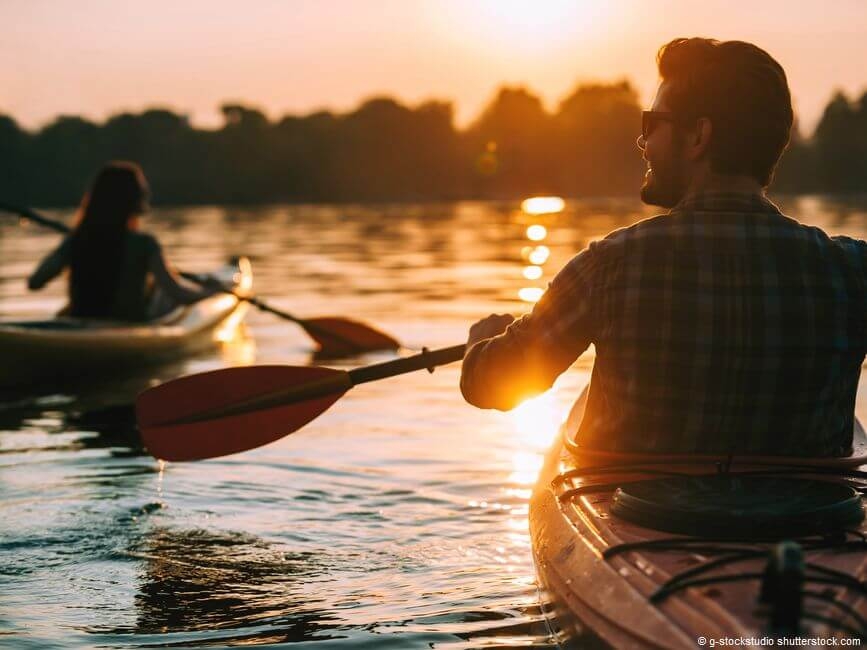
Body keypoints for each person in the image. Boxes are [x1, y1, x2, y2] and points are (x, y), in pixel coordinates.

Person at [460, 37, 867, 458]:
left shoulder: (611, 266)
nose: (643, 142)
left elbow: (491, 385)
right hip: (810, 516)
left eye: (652, 123)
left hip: (647, 512)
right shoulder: (853, 271)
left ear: (698, 136)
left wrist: (481, 344)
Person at [28, 161, 217, 321]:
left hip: (81, 321)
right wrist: (211, 294)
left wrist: (72, 241)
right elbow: (177, 294)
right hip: (128, 325)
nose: (146, 194)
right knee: (161, 293)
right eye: (142, 190)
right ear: (134, 199)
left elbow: (35, 282)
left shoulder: (77, 240)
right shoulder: (145, 244)